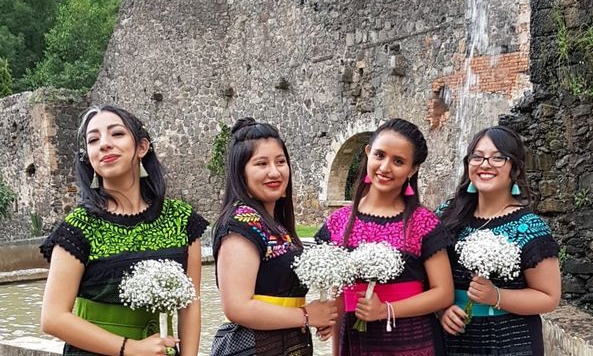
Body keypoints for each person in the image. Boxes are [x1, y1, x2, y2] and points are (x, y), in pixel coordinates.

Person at [40, 105, 207, 356]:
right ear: (89, 156)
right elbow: (53, 318)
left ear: (142, 147)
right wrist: (130, 348)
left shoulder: (181, 219)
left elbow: (190, 303)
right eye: (93, 140)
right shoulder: (78, 227)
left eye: (116, 134)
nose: (104, 144)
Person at [316, 118, 454, 356]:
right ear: (368, 153)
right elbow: (339, 293)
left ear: (413, 169)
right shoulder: (338, 222)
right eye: (379, 155)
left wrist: (386, 310)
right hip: (355, 339)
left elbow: (443, 293)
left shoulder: (423, 222)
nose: (385, 167)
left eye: (398, 161)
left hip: (412, 341)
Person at [210, 117, 338, 356]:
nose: (274, 172)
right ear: (241, 173)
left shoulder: (276, 226)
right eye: (261, 164)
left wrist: (313, 314)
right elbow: (237, 306)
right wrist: (307, 315)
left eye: (281, 162)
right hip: (255, 348)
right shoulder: (240, 224)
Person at [437, 125, 561, 356]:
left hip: (512, 341)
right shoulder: (446, 215)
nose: (485, 164)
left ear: (515, 167)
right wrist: (441, 309)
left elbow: (548, 297)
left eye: (498, 158)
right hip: (452, 337)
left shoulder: (530, 228)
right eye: (477, 157)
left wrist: (497, 296)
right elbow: (427, 274)